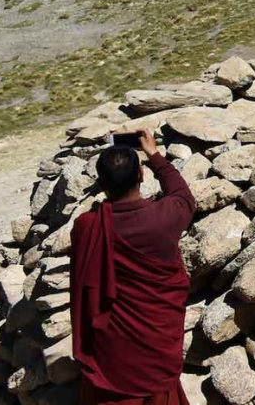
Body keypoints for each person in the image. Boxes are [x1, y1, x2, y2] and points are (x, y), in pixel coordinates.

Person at [71, 130, 196, 405]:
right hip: (157, 339)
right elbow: (184, 196)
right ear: (140, 175)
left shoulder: (87, 226)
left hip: (112, 348)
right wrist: (154, 154)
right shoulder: (165, 216)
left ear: (101, 183)